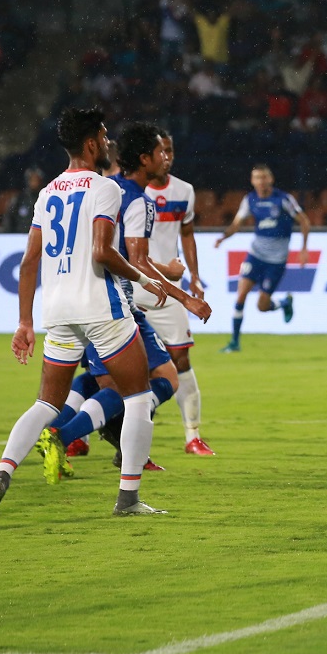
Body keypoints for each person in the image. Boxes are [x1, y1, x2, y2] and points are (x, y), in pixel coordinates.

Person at [0, 108, 170, 517]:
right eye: (105, 137)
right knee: (140, 397)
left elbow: (28, 263)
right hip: (100, 307)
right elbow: (103, 252)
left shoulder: (48, 191)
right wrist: (144, 282)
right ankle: (128, 499)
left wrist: (24, 322)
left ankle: (1, 474)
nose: (109, 144)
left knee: (46, 405)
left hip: (57, 310)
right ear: (91, 143)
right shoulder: (106, 189)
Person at [49, 123, 212, 471]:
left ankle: (65, 433)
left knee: (109, 379)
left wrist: (164, 272)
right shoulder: (139, 201)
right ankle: (66, 438)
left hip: (83, 296)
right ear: (144, 159)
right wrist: (187, 298)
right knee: (140, 385)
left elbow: (121, 251)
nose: (165, 158)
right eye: (160, 153)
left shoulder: (107, 189)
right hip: (112, 303)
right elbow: (134, 260)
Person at [139, 131, 214, 455]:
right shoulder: (130, 192)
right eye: (161, 151)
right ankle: (81, 439)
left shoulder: (184, 191)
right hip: (133, 286)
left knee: (181, 357)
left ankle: (192, 436)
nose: (167, 157)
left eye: (170, 151)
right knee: (118, 366)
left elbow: (187, 234)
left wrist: (194, 276)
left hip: (170, 291)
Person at [214, 164, 311, 352]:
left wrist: (304, 248)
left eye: (264, 177)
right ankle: (234, 342)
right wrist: (223, 237)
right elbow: (236, 224)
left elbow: (304, 221)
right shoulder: (249, 200)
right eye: (257, 178)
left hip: (276, 261)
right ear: (252, 181)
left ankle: (283, 303)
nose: (261, 181)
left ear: (271, 179)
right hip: (256, 255)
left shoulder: (283, 199)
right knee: (241, 294)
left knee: (262, 306)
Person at [0, 166, 43, 234]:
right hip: (19, 237)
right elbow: (9, 218)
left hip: (37, 237)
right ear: (27, 180)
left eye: (36, 179)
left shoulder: (43, 198)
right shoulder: (19, 199)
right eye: (32, 179)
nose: (34, 182)